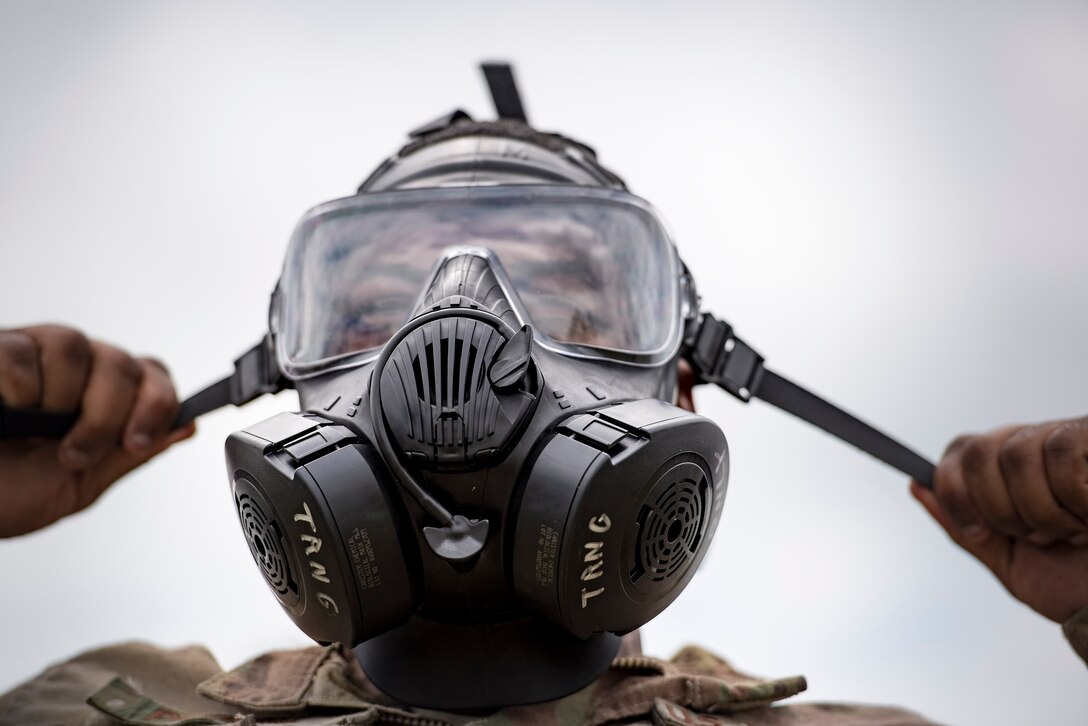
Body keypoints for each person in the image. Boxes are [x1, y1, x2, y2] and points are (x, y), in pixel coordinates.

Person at [1, 70, 1086, 725]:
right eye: (373, 309)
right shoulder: (99, 705)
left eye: (570, 303)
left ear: (681, 379)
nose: (461, 343)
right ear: (291, 372)